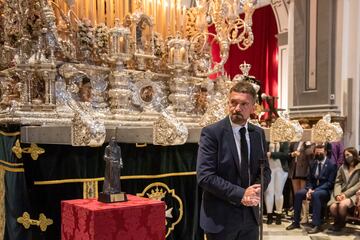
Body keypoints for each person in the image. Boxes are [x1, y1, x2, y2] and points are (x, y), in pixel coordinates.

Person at [197, 81, 271, 240]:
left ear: (253, 107)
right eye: (234, 102)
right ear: (228, 103)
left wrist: (257, 190)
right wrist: (241, 193)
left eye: (244, 104)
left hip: (250, 218)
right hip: (221, 218)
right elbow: (205, 176)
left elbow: (264, 169)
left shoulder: (258, 134)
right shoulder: (212, 133)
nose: (237, 108)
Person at [286, 144, 337, 234]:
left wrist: (314, 191)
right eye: (316, 152)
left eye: (320, 152)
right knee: (298, 194)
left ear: (325, 152)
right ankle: (296, 222)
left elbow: (330, 183)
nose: (318, 154)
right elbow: (309, 179)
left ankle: (316, 224)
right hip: (312, 188)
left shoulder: (331, 165)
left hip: (325, 190)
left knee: (316, 195)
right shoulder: (313, 163)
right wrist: (309, 189)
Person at [328, 147, 360, 231]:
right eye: (345, 155)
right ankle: (337, 222)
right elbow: (338, 182)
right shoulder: (343, 167)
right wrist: (338, 194)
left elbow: (358, 184)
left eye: (348, 155)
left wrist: (345, 194)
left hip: (354, 193)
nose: (346, 157)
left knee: (342, 205)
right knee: (333, 207)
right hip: (340, 191)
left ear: (354, 155)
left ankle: (341, 223)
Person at [265, 141, 291, 225]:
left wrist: (272, 154)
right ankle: (269, 215)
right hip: (269, 169)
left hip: (281, 169)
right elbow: (263, 153)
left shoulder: (284, 141)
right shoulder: (267, 139)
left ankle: (278, 215)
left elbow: (286, 155)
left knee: (278, 192)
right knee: (269, 192)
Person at [289, 140, 314, 223]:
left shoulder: (309, 142)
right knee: (296, 195)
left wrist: (307, 145)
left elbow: (309, 153)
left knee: (303, 194)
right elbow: (290, 154)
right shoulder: (295, 142)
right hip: (294, 169)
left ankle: (305, 215)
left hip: (303, 169)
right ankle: (297, 214)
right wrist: (293, 154)